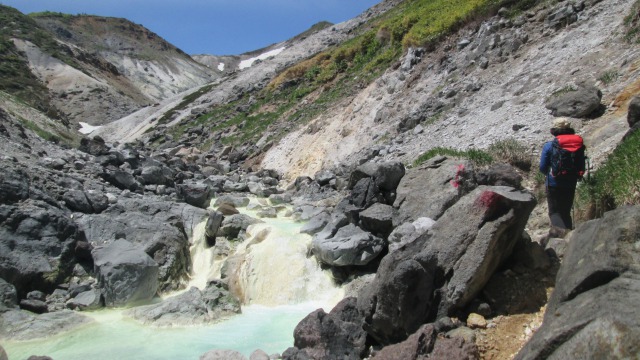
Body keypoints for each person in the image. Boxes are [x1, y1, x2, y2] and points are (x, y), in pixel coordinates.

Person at [539, 117, 586, 237]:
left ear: (554, 131)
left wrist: (549, 174)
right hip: (571, 182)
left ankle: (560, 239)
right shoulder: (578, 144)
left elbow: (543, 167)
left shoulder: (550, 146)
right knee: (565, 212)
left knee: (555, 212)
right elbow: (581, 164)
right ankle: (570, 237)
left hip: (554, 182)